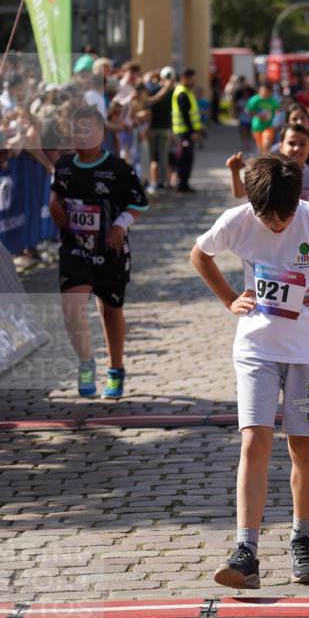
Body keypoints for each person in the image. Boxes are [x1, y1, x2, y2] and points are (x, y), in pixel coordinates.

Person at [190, 153, 309, 588]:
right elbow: (200, 255)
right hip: (255, 349)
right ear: (253, 206)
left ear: (299, 201)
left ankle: (302, 538)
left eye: (285, 216)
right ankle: (246, 550)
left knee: (303, 448)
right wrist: (229, 298)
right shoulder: (236, 221)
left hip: (307, 351)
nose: (278, 225)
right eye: (269, 218)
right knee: (254, 443)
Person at [49, 106, 149, 399]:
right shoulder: (64, 165)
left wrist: (119, 224)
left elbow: (139, 203)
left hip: (110, 250)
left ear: (101, 133)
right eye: (76, 130)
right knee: (72, 308)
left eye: (87, 130)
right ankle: (85, 363)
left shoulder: (118, 168)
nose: (80, 136)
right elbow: (56, 194)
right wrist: (54, 204)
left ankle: (115, 370)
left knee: (110, 310)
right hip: (75, 248)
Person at [171, 67, 204, 193]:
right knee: (185, 159)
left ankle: (184, 183)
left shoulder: (186, 92)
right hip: (184, 132)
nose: (194, 81)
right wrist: (193, 132)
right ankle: (182, 184)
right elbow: (185, 115)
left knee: (187, 158)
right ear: (184, 78)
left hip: (185, 132)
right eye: (192, 78)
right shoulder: (182, 93)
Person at [246, 80, 280, 154]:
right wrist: (258, 115)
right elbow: (248, 111)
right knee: (260, 146)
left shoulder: (272, 101)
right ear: (260, 90)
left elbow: (278, 111)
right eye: (264, 90)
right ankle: (263, 157)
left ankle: (266, 156)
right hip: (257, 126)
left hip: (269, 126)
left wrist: (276, 120)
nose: (266, 93)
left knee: (267, 143)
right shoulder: (255, 100)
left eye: (268, 91)